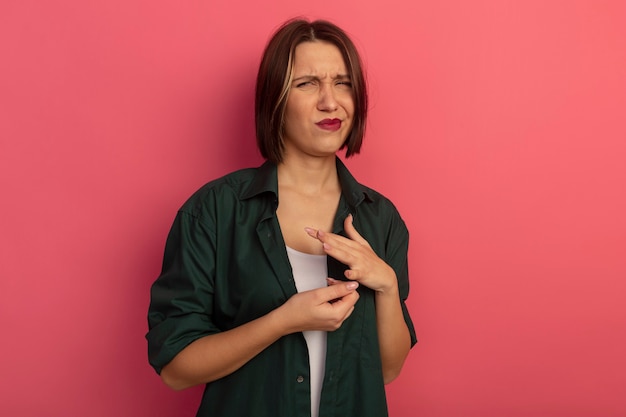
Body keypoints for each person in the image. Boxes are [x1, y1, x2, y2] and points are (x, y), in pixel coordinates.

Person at [146, 18, 417, 417]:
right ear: (275, 98)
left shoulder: (381, 218)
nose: (330, 101)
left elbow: (388, 370)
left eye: (342, 83)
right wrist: (282, 321)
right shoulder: (216, 210)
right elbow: (176, 369)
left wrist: (389, 285)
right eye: (307, 83)